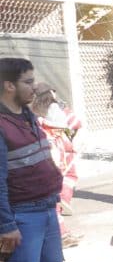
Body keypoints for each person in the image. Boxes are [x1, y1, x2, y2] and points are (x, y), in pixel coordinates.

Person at [0, 58, 88, 262]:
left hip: (46, 208)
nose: (34, 86)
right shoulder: (2, 125)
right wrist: (6, 225)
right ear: (9, 85)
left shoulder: (25, 116)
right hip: (21, 216)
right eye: (27, 81)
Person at [30, 83, 80, 247]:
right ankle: (60, 235)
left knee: (55, 201)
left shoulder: (41, 113)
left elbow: (74, 125)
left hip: (59, 154)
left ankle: (59, 232)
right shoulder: (44, 128)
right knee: (52, 203)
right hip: (50, 165)